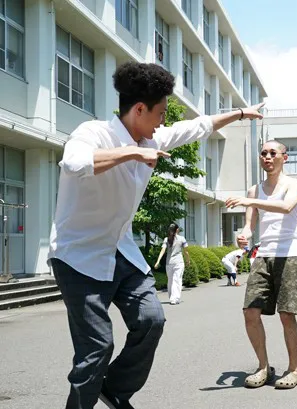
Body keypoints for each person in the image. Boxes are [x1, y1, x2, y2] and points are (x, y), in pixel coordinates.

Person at [47, 61, 265, 409]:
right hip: (79, 257)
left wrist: (240, 112)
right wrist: (133, 152)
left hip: (120, 251)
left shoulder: (153, 136)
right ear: (139, 109)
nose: (163, 121)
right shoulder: (94, 133)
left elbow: (198, 127)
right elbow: (75, 162)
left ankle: (115, 389)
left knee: (152, 319)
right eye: (160, 113)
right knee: (96, 348)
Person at [225, 140, 297, 390]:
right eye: (263, 153)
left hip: (291, 253)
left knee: (287, 314)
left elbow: (286, 207)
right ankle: (263, 367)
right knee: (250, 311)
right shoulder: (254, 190)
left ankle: (293, 370)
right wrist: (245, 235)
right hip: (264, 254)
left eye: (273, 153)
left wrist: (250, 202)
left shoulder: (294, 184)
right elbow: (250, 225)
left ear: (284, 157)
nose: (267, 157)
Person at [154, 223, 190, 304]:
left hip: (169, 263)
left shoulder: (166, 239)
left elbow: (162, 250)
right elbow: (186, 251)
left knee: (170, 280)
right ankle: (175, 298)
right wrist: (188, 260)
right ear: (177, 230)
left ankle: (171, 297)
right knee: (177, 280)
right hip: (179, 262)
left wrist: (158, 261)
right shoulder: (182, 238)